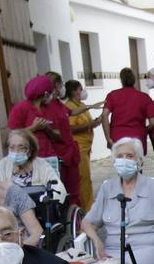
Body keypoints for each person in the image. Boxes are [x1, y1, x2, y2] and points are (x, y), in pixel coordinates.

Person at [7, 74, 77, 203]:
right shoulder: (21, 108)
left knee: (53, 192)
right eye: (50, 92)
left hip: (48, 157)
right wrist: (33, 128)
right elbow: (12, 135)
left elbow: (58, 135)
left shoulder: (49, 108)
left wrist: (47, 129)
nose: (52, 95)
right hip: (27, 158)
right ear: (45, 93)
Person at [0, 128, 67, 203]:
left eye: (21, 147)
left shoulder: (41, 165)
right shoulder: (3, 165)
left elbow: (58, 188)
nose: (16, 152)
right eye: (12, 147)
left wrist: (47, 198)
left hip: (39, 206)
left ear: (30, 150)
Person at [44, 71, 83, 206]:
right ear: (56, 85)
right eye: (61, 84)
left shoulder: (58, 104)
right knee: (61, 191)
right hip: (59, 154)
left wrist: (89, 106)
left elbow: (70, 112)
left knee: (74, 189)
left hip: (70, 152)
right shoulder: (46, 107)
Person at [62, 80, 100, 208]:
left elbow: (86, 123)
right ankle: (85, 208)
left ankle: (88, 205)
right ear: (73, 91)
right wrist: (89, 124)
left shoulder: (81, 105)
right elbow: (70, 128)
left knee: (87, 178)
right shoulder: (70, 107)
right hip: (78, 147)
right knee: (83, 179)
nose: (82, 92)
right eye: (80, 89)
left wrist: (94, 122)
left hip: (86, 147)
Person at [102, 68, 154, 153]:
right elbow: (153, 123)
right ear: (134, 80)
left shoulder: (112, 95)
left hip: (117, 139)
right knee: (136, 164)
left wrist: (108, 138)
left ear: (121, 80)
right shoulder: (144, 97)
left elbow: (104, 115)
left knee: (119, 164)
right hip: (137, 139)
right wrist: (143, 130)